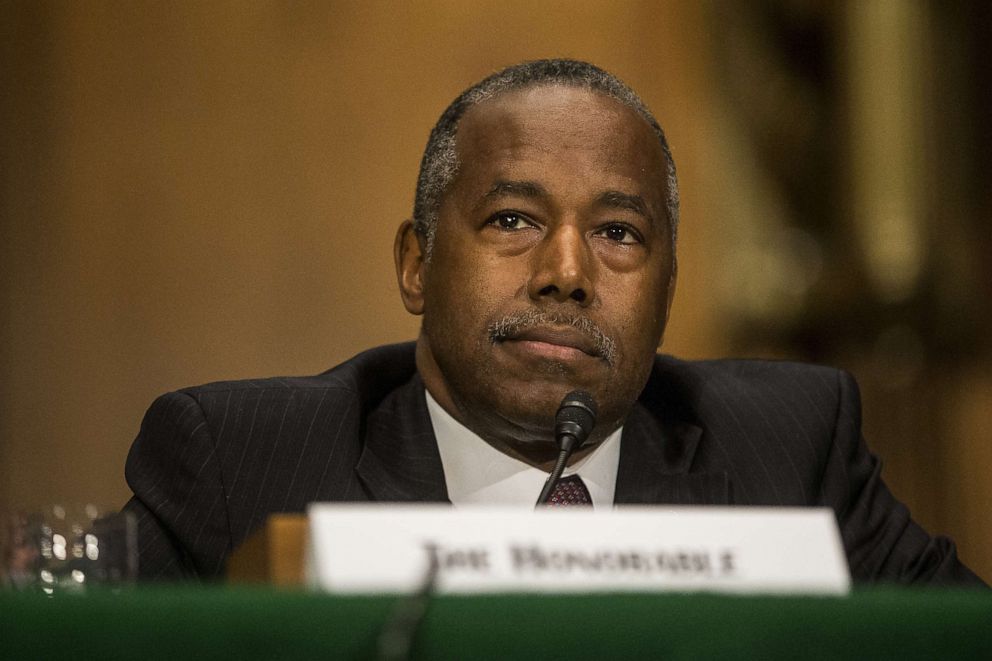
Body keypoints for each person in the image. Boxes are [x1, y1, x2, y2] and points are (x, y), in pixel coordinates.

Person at [123, 59, 984, 585]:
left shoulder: (791, 451)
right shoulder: (240, 462)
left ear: (668, 291)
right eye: (512, 220)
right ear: (416, 264)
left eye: (618, 234)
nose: (567, 274)